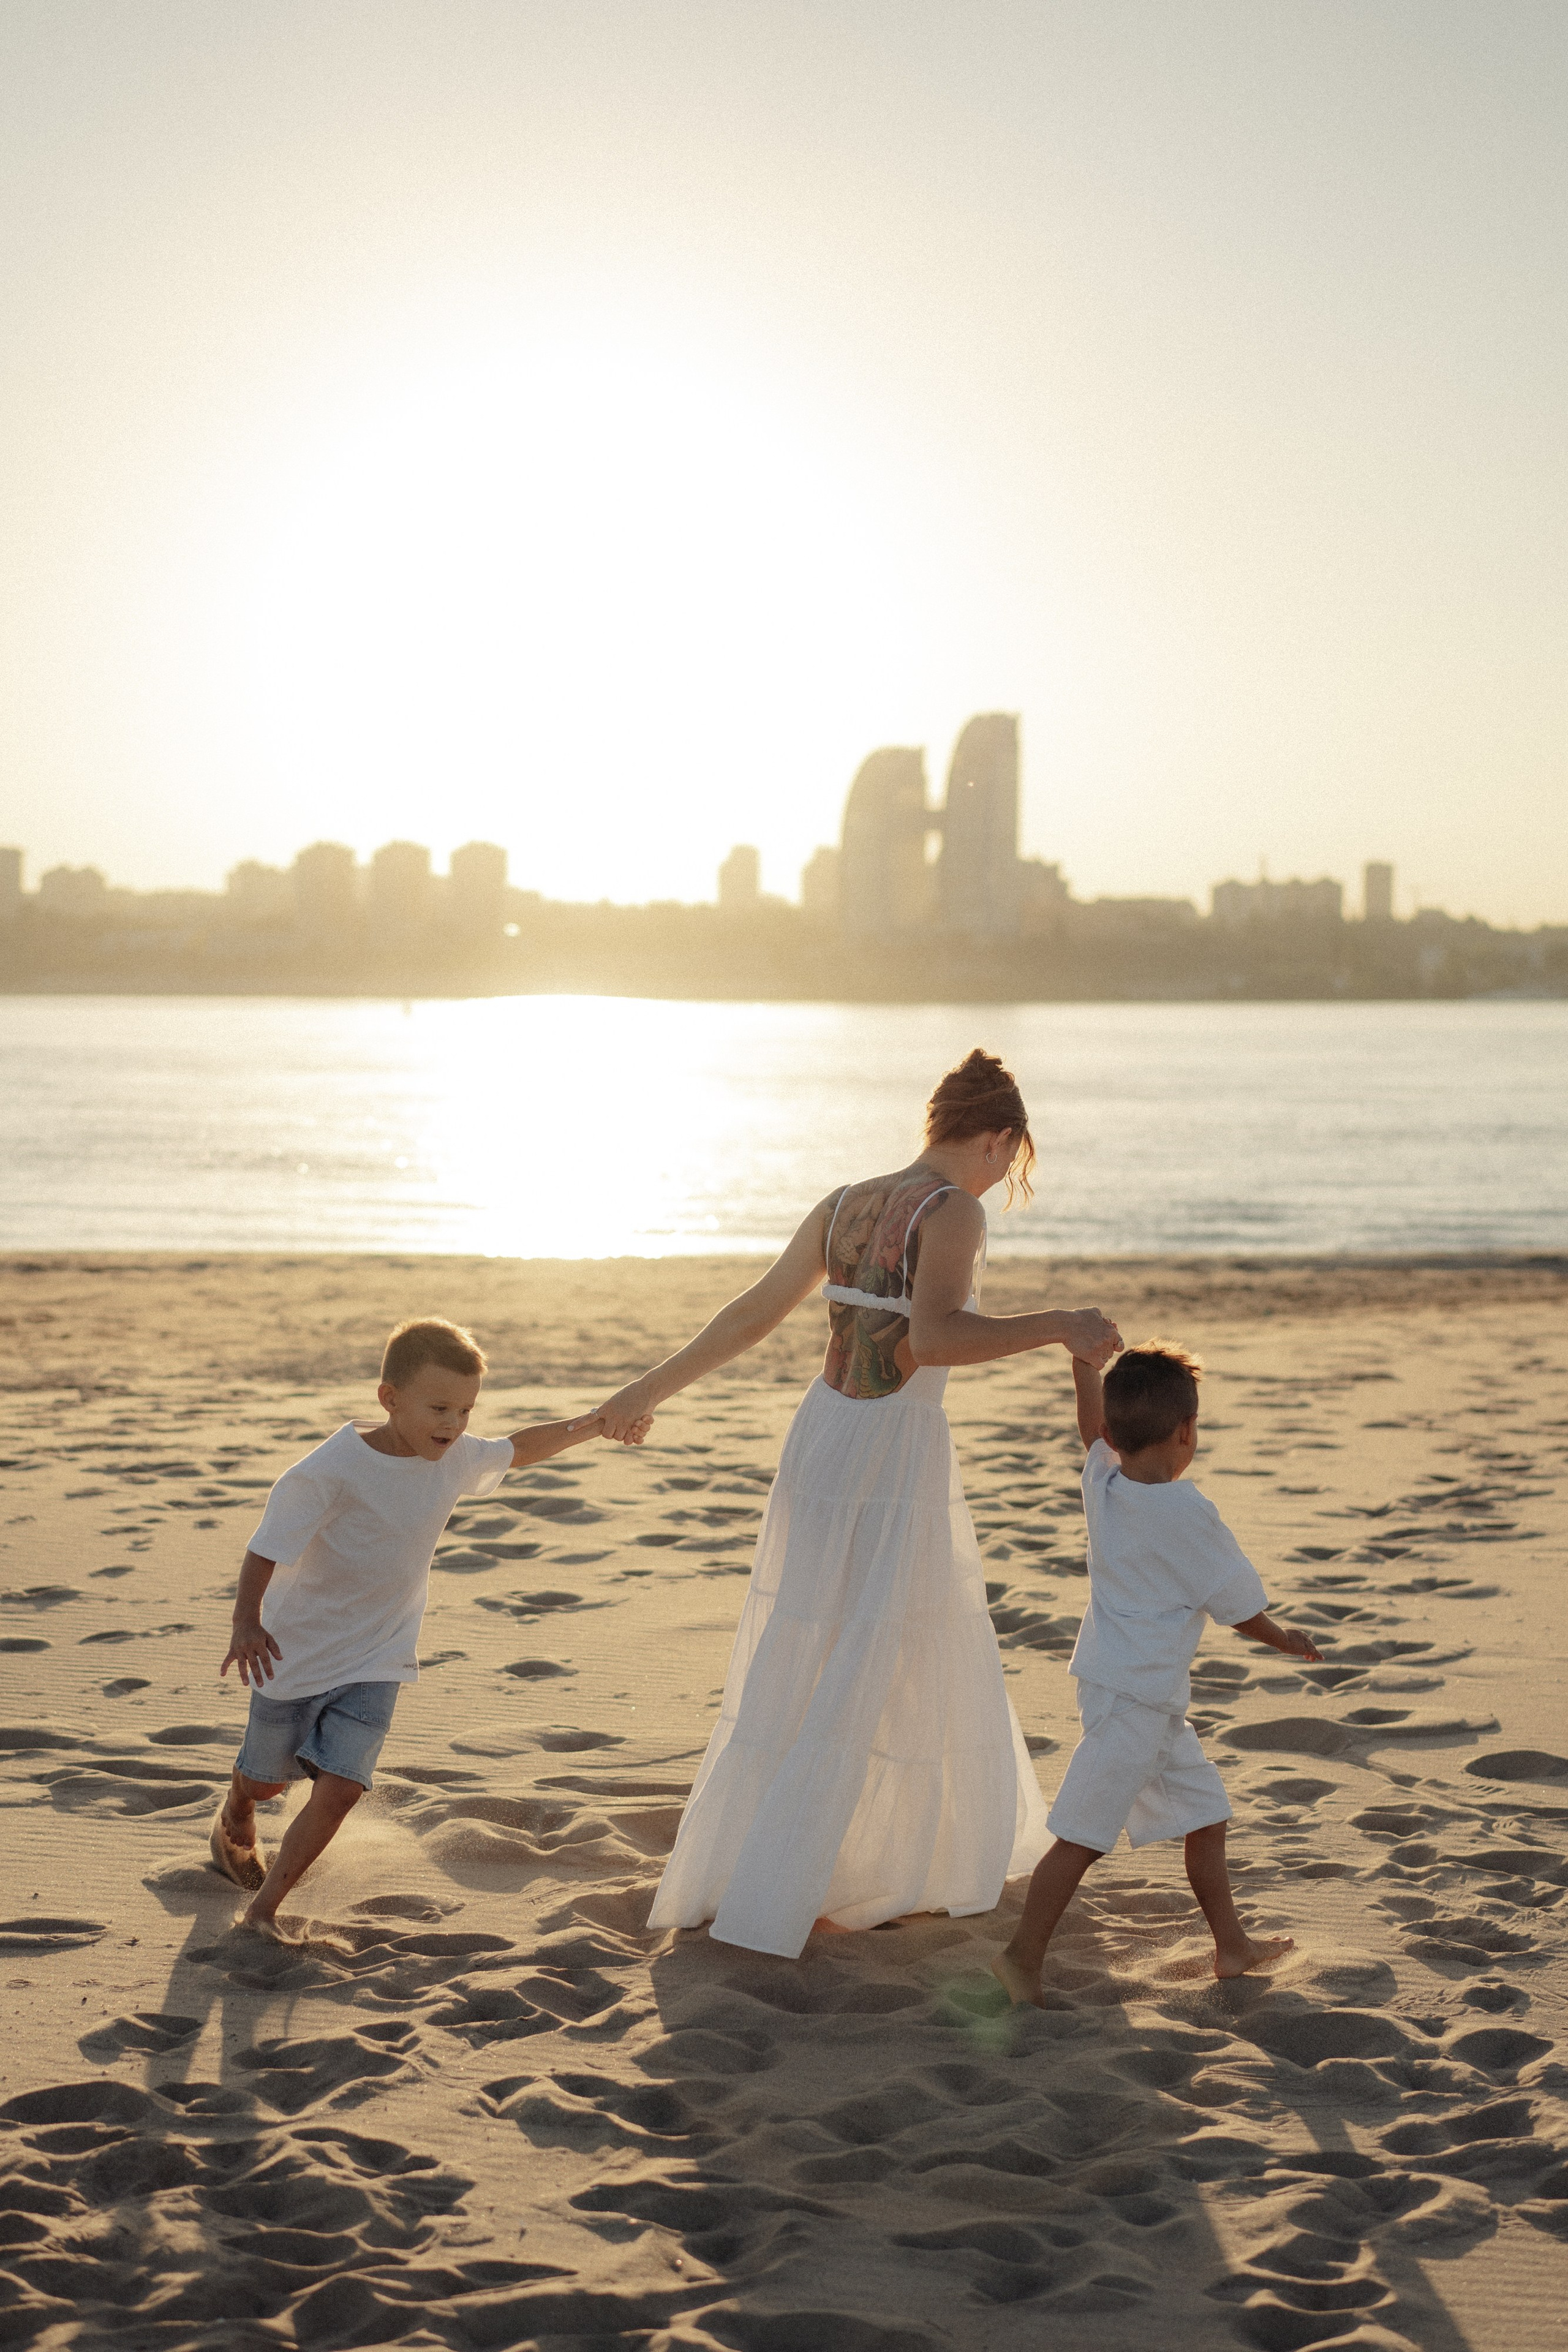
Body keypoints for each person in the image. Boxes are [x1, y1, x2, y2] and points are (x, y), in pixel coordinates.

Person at [593, 1047, 1122, 1959]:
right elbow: (934, 1339)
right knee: (879, 1649)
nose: (1002, 1179)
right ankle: (831, 1875)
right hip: (891, 1447)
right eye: (1011, 1160)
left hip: (823, 1436)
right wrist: (1059, 1327)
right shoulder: (952, 1211)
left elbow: (753, 1314)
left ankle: (815, 1860)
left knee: (828, 1642)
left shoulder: (844, 1202)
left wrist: (649, 1389)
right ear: (997, 1139)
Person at [211, 1316, 647, 1928]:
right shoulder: (327, 1471)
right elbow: (266, 1548)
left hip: (378, 1655)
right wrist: (246, 1624)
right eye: (440, 1409)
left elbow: (521, 1448)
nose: (455, 1425)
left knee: (342, 1789)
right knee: (267, 1785)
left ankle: (263, 1913)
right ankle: (238, 1804)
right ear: (390, 1399)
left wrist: (599, 1422)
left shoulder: (455, 1457)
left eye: (466, 1410)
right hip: (295, 1652)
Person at [992, 1341, 1324, 2005]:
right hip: (1133, 1701)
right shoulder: (1186, 1512)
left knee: (1206, 1815)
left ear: (1113, 1436)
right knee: (1081, 1837)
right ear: (1186, 1432)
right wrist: (1283, 1638)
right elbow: (1234, 1605)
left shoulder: (1103, 1486)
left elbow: (1089, 1431)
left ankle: (1231, 1945)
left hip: (1139, 1695)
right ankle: (1021, 1958)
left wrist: (1084, 1369)